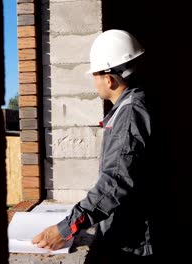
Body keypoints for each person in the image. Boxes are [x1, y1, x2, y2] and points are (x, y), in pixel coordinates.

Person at [32, 29, 156, 262]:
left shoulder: (129, 114)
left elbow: (114, 181)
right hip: (129, 236)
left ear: (108, 79)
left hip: (132, 244)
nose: (94, 80)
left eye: (95, 74)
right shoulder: (131, 108)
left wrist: (66, 228)